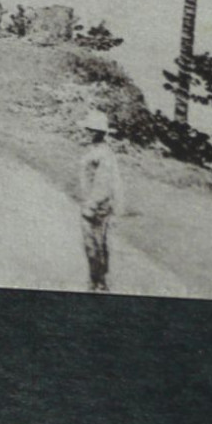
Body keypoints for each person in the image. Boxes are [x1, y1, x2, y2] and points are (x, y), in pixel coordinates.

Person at [78, 108, 125, 293]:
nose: (86, 132)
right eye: (87, 129)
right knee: (96, 245)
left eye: (90, 130)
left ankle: (98, 283)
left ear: (98, 132)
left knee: (94, 245)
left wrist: (91, 205)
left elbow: (104, 184)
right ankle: (97, 282)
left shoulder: (102, 154)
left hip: (96, 207)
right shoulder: (97, 151)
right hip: (94, 203)